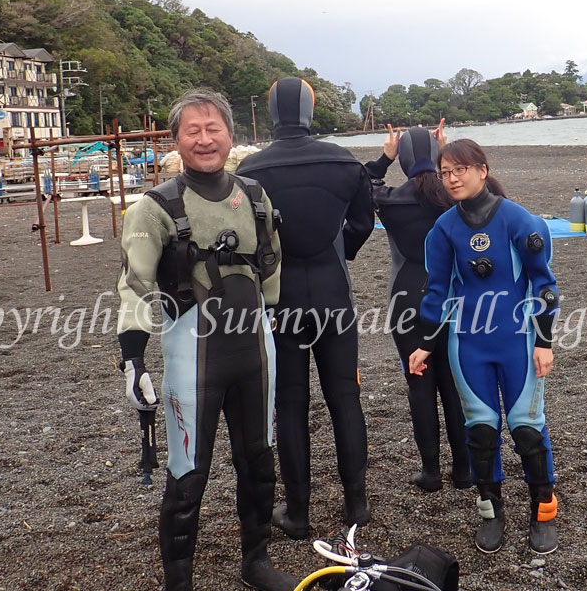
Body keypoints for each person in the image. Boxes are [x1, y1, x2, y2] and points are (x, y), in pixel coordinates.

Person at [116, 88, 297, 591]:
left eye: (212, 127)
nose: (204, 138)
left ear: (230, 135)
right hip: (192, 359)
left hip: (255, 352)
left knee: (259, 461)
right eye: (191, 130)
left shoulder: (255, 197)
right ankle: (179, 582)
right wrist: (132, 361)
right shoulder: (154, 208)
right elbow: (133, 285)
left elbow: (272, 267)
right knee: (188, 474)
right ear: (175, 140)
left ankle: (255, 562)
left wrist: (278, 323)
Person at [237, 77, 375, 538]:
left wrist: (270, 263)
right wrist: (343, 250)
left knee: (290, 405)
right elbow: (362, 220)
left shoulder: (253, 169)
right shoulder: (343, 161)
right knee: (345, 399)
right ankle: (356, 503)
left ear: (274, 111)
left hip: (282, 299)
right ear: (310, 111)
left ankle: (298, 511)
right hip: (333, 291)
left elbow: (248, 238)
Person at [408, 139, 560, 555]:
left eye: (460, 170)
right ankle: (491, 512)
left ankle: (543, 511)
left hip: (518, 341)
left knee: (527, 428)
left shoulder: (518, 220)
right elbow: (437, 290)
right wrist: (425, 343)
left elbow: (544, 286)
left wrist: (544, 341)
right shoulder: (444, 229)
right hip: (468, 343)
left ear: (482, 169)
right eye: (445, 172)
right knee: (480, 430)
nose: (452, 178)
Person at [364, 123, 471, 492]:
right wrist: (449, 150)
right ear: (437, 156)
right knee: (455, 383)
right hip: (454, 295)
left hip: (407, 294)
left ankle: (431, 472)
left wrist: (384, 156)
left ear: (404, 158)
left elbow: (360, 184)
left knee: (420, 382)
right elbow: (482, 186)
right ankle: (464, 469)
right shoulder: (454, 194)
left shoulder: (389, 199)